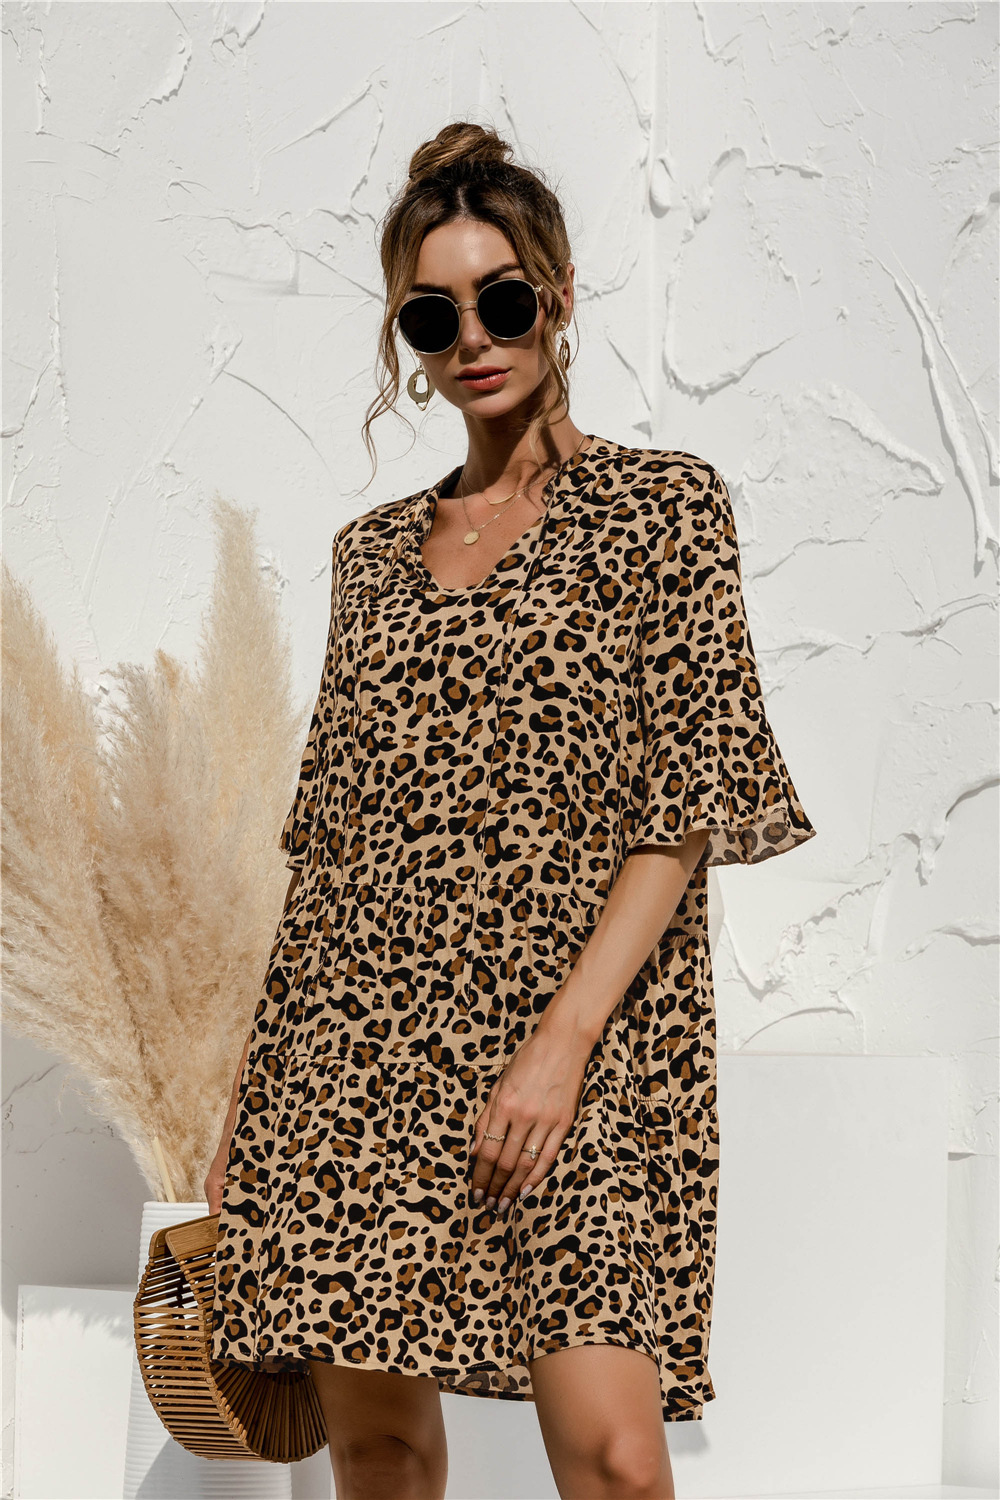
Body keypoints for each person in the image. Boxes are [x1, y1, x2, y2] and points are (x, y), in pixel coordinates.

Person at [205, 121, 816, 1500]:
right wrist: (253, 1097)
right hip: (354, 1055)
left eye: (503, 299)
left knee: (615, 1458)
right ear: (408, 338)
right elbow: (329, 849)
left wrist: (561, 1042)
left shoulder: (664, 511)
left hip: (573, 1041)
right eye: (433, 315)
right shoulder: (371, 558)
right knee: (377, 1450)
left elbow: (687, 802)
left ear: (561, 292)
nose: (473, 337)